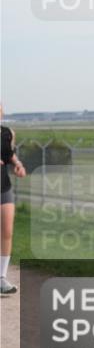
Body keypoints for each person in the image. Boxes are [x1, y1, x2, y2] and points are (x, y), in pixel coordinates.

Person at [1, 123, 28, 295]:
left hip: (2, 186)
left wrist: (17, 163)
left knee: (7, 231)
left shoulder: (7, 132)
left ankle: (1, 278)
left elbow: (9, 154)